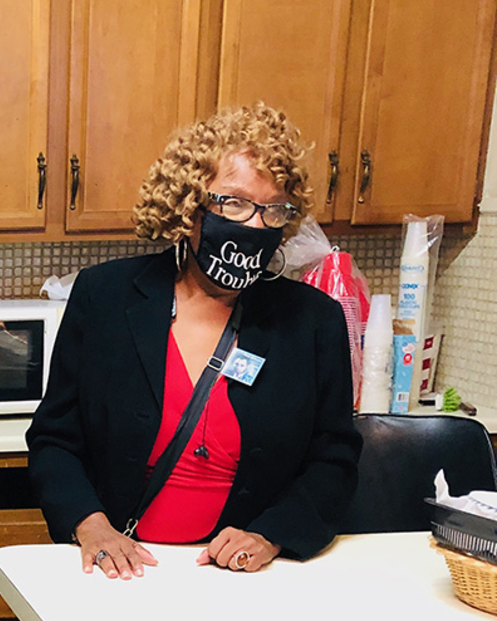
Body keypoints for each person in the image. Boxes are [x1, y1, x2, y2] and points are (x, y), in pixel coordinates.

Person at [28, 103, 361, 577]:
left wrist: (271, 535)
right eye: (234, 203)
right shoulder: (105, 298)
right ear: (188, 205)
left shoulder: (312, 322)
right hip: (121, 571)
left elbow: (335, 461)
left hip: (244, 580)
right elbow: (53, 440)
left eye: (272, 211)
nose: (253, 226)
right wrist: (90, 525)